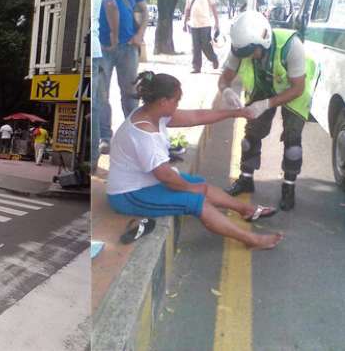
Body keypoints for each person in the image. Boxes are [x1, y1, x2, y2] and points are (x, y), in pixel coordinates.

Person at [106, 71, 284, 249]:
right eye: (176, 100)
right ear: (163, 101)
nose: (178, 104)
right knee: (197, 201)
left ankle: (246, 210)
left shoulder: (153, 112)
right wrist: (191, 189)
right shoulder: (145, 135)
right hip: (129, 194)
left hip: (146, 181)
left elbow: (196, 116)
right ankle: (251, 240)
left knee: (202, 185)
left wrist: (235, 113)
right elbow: (166, 176)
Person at [219, 11, 315, 211]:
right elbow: (224, 78)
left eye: (250, 53)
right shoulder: (241, 47)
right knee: (250, 136)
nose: (247, 57)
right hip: (263, 88)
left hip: (294, 91)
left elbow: (297, 88)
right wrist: (226, 91)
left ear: (263, 42)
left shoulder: (291, 46)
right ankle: (246, 179)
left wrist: (266, 104)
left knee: (293, 142)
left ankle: (289, 187)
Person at [95, 0, 148, 156]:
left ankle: (131, 134)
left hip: (127, 47)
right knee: (101, 96)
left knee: (129, 93)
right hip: (101, 49)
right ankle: (105, 138)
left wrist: (139, 35)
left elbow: (143, 10)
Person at [91, 0, 119, 174]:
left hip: (92, 48)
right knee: (96, 105)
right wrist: (114, 36)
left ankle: (93, 162)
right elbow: (111, 3)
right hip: (95, 48)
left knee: (96, 105)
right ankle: (92, 162)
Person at [183, 0, 220, 74]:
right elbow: (187, 8)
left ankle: (213, 58)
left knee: (205, 45)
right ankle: (196, 67)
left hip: (205, 24)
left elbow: (213, 7)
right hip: (194, 24)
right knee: (195, 47)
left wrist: (217, 22)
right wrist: (185, 22)